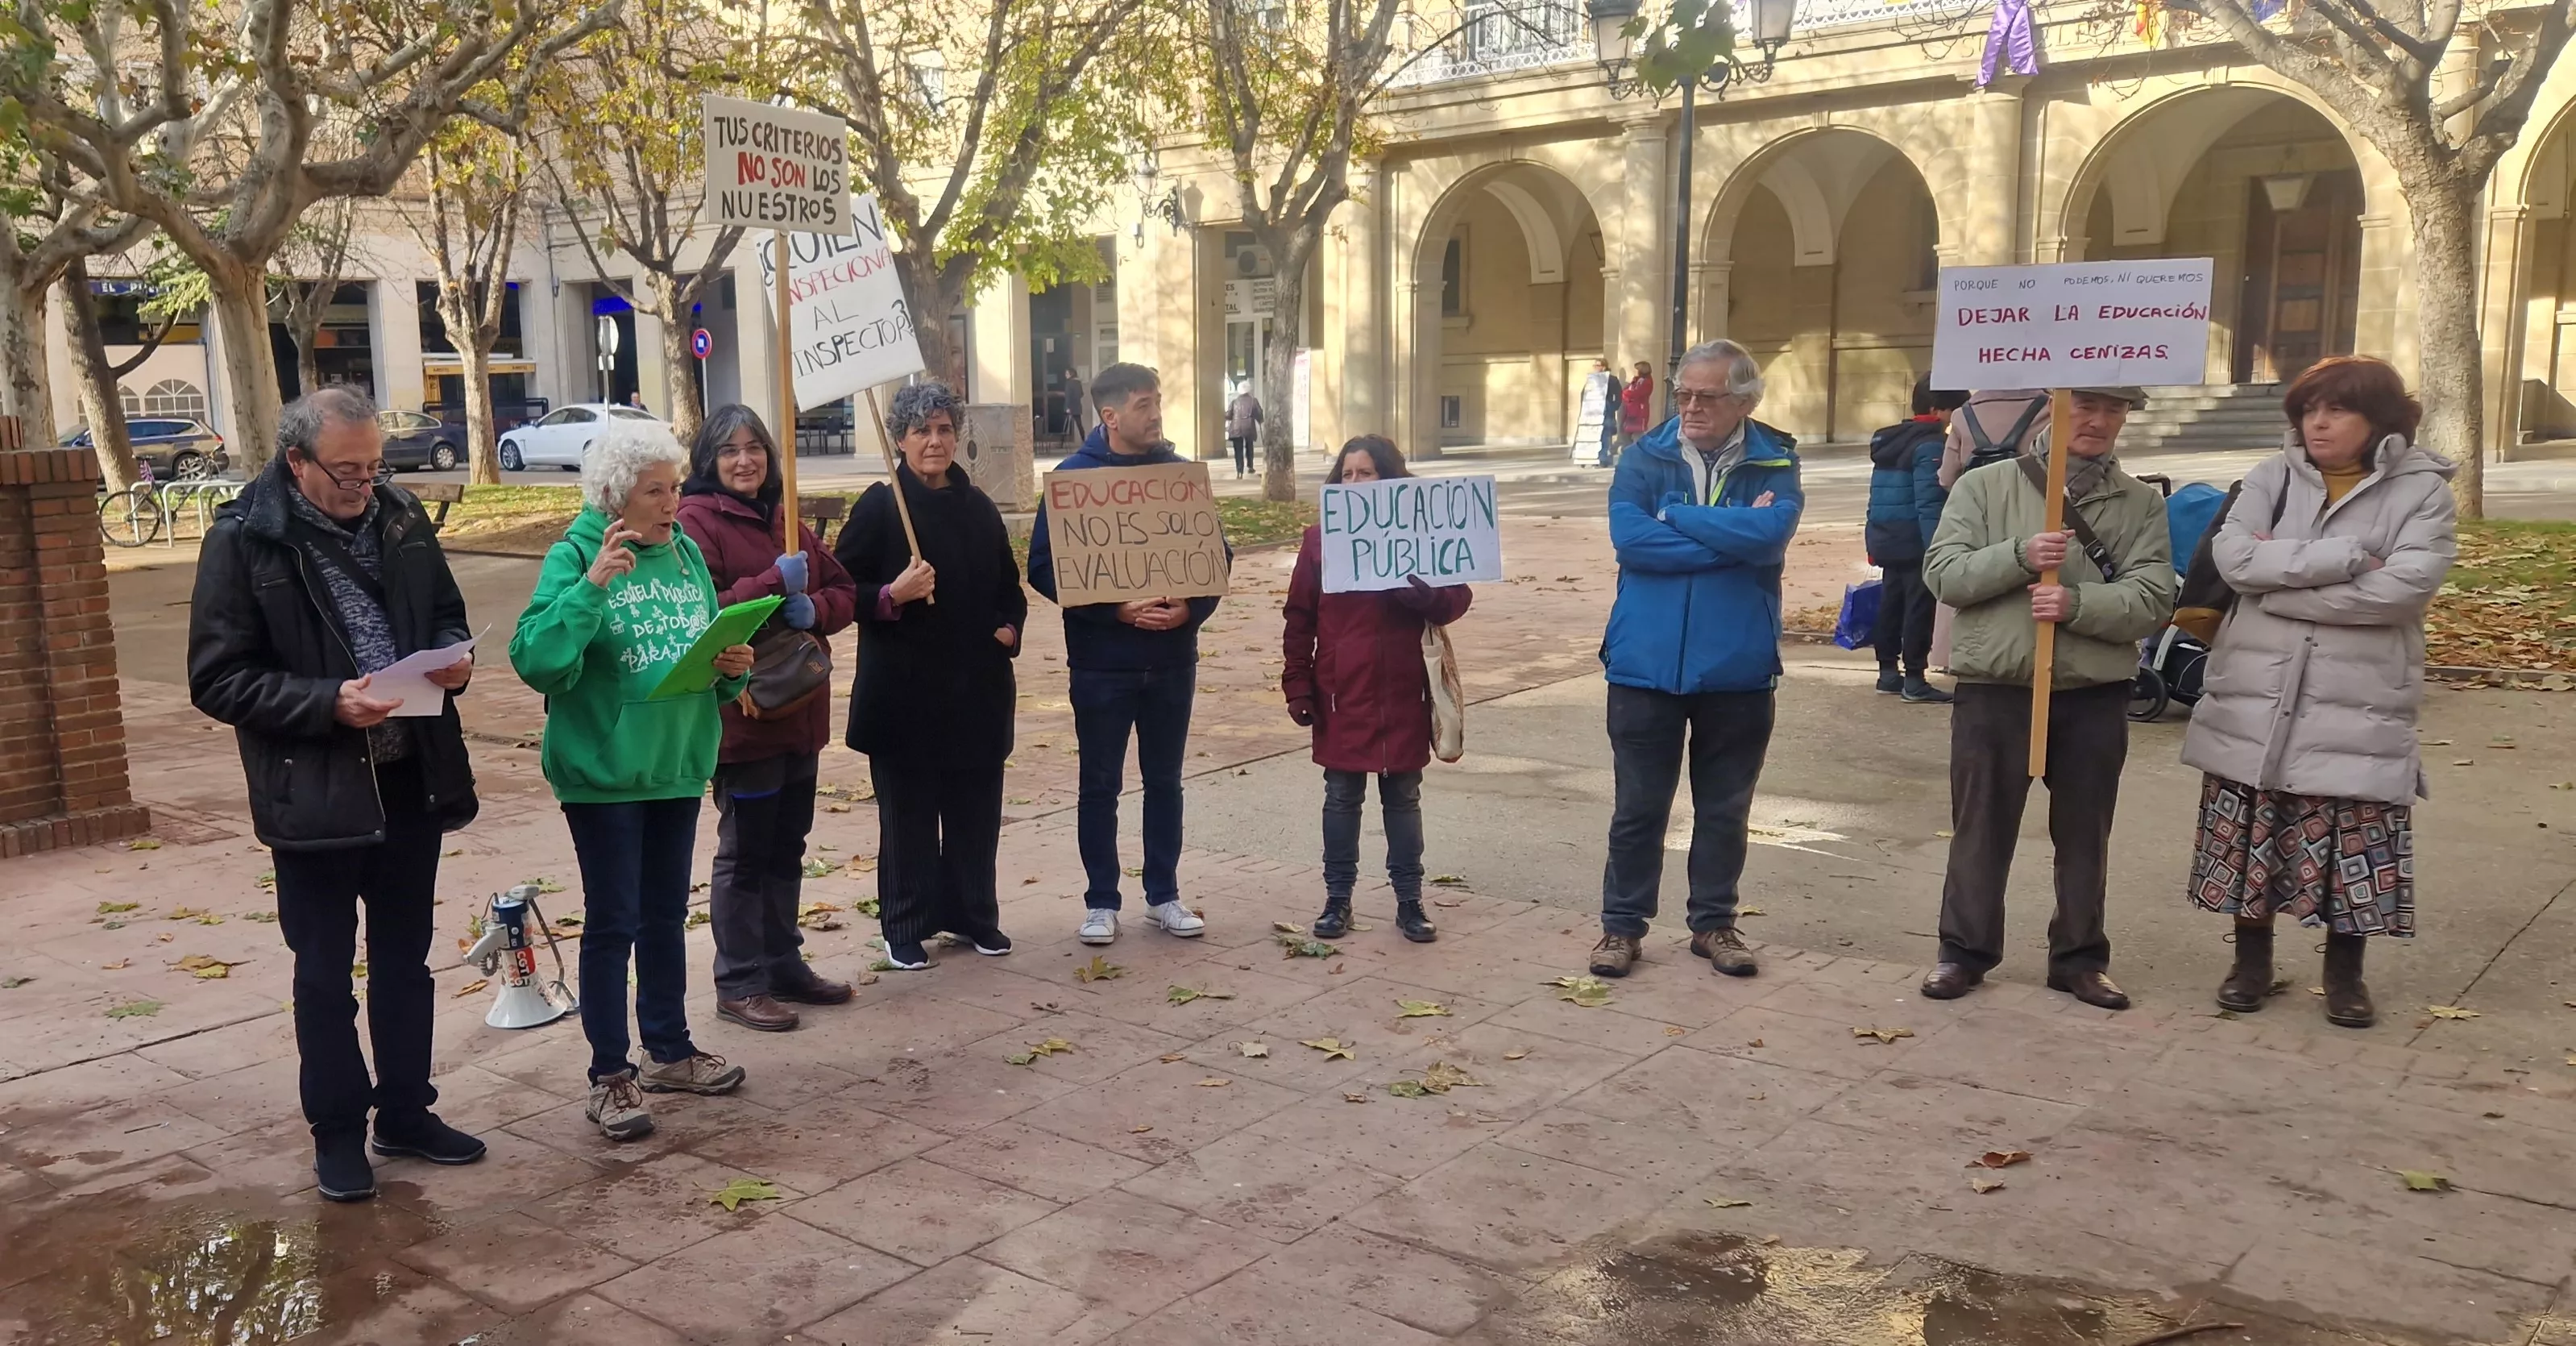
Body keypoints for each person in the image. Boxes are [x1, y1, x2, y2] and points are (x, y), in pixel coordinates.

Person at [188, 387, 484, 1203]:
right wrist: (327, 703)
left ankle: (406, 1112)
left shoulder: (398, 516)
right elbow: (216, 678)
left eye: (374, 467)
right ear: (296, 460)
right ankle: (337, 1133)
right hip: (313, 793)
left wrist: (452, 664)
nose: (365, 484)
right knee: (323, 973)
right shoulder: (244, 539)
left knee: (405, 964)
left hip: (410, 774)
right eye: (346, 471)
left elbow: (446, 615)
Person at [2183, 356, 2457, 1029]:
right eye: (2308, 410)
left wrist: (2280, 589)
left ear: (2380, 421)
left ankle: (2345, 976)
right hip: (2257, 692)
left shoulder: (2423, 490)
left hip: (2355, 699)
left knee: (2351, 841)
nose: (2319, 423)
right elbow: (2234, 559)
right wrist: (2343, 560)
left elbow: (2402, 591)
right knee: (2254, 828)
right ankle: (2250, 964)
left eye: (2336, 410)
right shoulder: (2269, 478)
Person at [510, 418, 757, 1141]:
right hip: (607, 771)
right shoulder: (577, 553)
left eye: (675, 486)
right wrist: (589, 589)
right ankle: (608, 1074)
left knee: (664, 917)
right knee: (613, 923)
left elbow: (697, 649)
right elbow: (537, 662)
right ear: (616, 495)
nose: (673, 501)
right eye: (656, 490)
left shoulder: (682, 553)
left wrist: (727, 666)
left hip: (676, 763)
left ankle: (670, 1050)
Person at [1919, 388, 2176, 1011]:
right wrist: (2018, 555)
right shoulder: (1985, 487)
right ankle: (1963, 951)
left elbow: (2153, 597)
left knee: (2085, 833)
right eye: (2083, 406)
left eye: (2112, 410)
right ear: (2051, 412)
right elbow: (1943, 573)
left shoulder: (2140, 501)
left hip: (2092, 692)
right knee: (1980, 828)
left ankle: (2079, 958)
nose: (2096, 421)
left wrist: (2077, 604)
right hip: (1997, 687)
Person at [1587, 340, 1802, 982]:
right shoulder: (1642, 455)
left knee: (1724, 809)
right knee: (1637, 809)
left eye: (1706, 397)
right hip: (1643, 663)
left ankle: (1713, 924)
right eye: (1682, 393)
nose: (1689, 407)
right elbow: (1631, 540)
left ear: (1743, 400)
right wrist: (1726, 536)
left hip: (1736, 665)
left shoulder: (1776, 457)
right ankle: (1620, 928)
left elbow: (1769, 540)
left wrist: (1676, 517)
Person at [1027, 362, 1228, 945]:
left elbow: (1215, 556)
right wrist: (1112, 609)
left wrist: (1192, 609)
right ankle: (1100, 901)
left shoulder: (1178, 476)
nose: (1156, 413)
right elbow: (1044, 568)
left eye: (1157, 401)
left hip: (1170, 660)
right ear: (1110, 416)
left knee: (1165, 780)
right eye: (1144, 404)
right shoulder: (1072, 480)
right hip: (1101, 664)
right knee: (1099, 785)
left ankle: (1163, 894)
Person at [675, 405, 861, 1032]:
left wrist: (816, 605)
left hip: (800, 710)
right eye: (730, 450)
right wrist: (769, 585)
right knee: (747, 852)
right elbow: (701, 615)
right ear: (709, 461)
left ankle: (784, 963)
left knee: (788, 846)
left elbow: (844, 591)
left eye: (755, 448)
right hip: (746, 719)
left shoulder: (787, 518)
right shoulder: (694, 523)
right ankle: (738, 980)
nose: (745, 460)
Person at [837, 381, 1029, 969]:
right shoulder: (878, 506)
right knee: (909, 819)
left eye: (944, 429)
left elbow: (1008, 587)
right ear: (899, 439)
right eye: (922, 431)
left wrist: (1009, 627)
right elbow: (841, 590)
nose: (935, 441)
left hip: (975, 691)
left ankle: (974, 915)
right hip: (905, 697)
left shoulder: (978, 506)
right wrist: (891, 594)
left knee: (975, 814)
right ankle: (905, 924)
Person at [1282, 434, 1473, 944]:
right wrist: (1298, 682)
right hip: (1341, 690)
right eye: (1346, 474)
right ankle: (1337, 900)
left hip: (1405, 689)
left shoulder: (1423, 532)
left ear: (1389, 479)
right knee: (1341, 797)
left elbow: (1456, 599)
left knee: (1404, 798)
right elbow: (1299, 618)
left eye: (1365, 473)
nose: (1355, 483)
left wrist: (1424, 596)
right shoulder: (1319, 541)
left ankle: (1410, 902)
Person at [1865, 378, 1968, 704]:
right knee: (1918, 609)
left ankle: (1887, 672)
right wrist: (1936, 549)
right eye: (1956, 411)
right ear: (1938, 409)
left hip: (1887, 535)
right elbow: (1929, 502)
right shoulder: (1931, 446)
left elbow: (1876, 496)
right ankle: (1914, 678)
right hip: (1915, 540)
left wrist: (1873, 540)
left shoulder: (1888, 440)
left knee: (1891, 604)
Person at [1584, 358, 1620, 468]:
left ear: (1604, 367)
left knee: (1605, 436)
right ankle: (1594, 458)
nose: (1595, 368)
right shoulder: (1591, 379)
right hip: (1592, 412)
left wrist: (1613, 407)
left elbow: (1619, 396)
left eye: (1597, 366)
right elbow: (1585, 393)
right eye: (1594, 366)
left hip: (1606, 412)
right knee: (1594, 436)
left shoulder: (1612, 379)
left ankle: (1604, 460)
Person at [1228, 384, 1263, 479]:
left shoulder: (1235, 402)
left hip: (1236, 428)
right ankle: (1250, 466)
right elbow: (1259, 413)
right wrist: (1260, 420)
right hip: (1249, 427)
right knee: (1249, 447)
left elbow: (1229, 415)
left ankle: (1239, 471)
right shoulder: (1253, 401)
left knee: (1238, 450)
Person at [1619, 361, 1654, 455]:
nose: (1635, 372)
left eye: (1637, 369)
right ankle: (1629, 453)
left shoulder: (1647, 382)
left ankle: (1638, 454)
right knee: (1626, 434)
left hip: (1639, 412)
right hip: (1630, 411)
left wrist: (1625, 394)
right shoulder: (1636, 380)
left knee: (1638, 435)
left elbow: (1636, 394)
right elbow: (1627, 391)